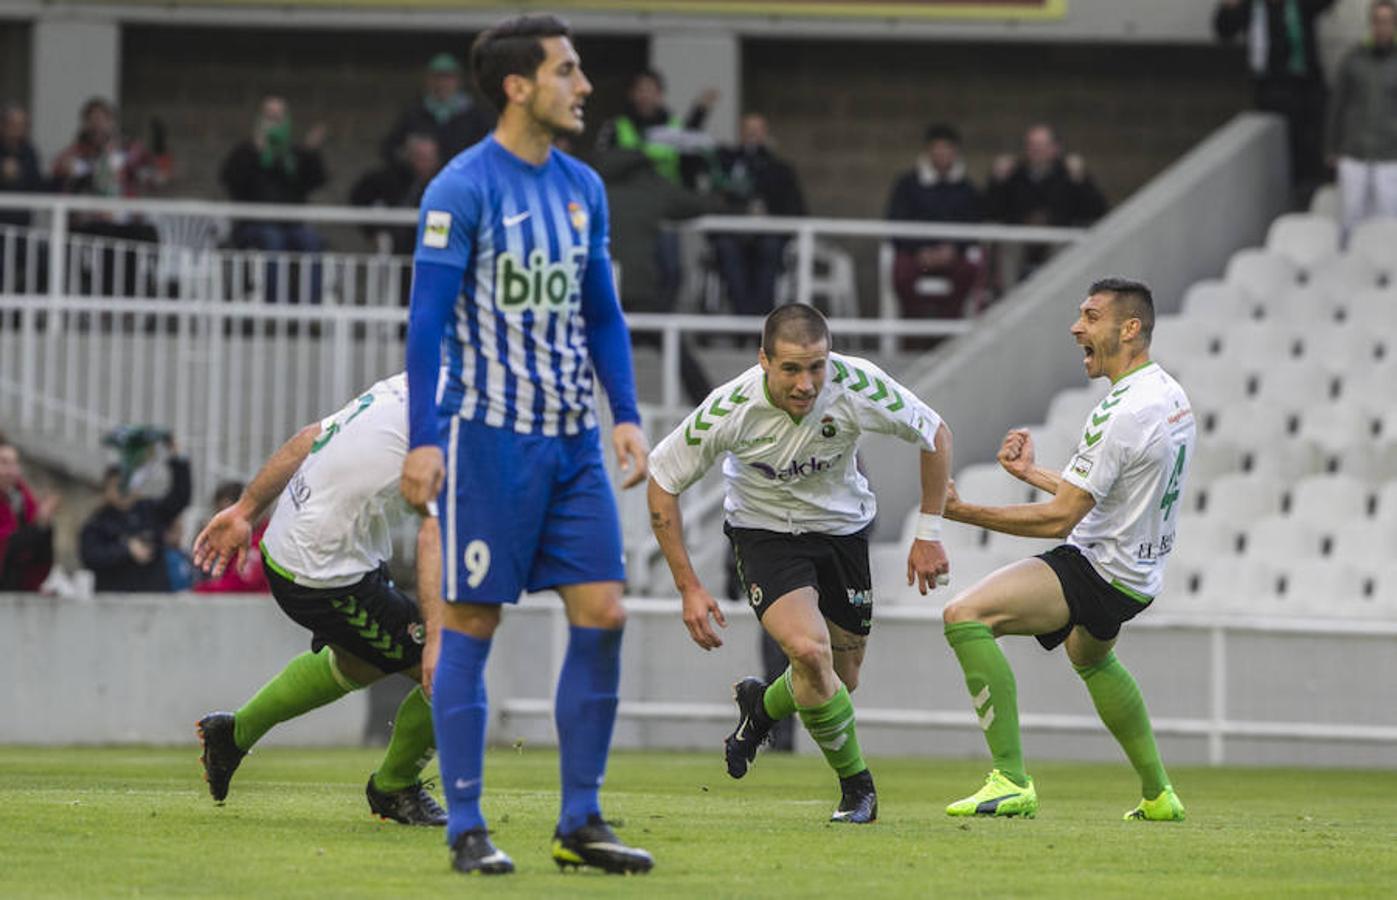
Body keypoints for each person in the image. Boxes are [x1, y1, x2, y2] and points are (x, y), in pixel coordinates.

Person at [399, 15, 654, 877]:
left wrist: (622, 413)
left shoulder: (583, 186)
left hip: (572, 443)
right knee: (473, 619)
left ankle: (578, 821)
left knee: (606, 614)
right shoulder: (460, 189)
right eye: (567, 71)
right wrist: (425, 439)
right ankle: (466, 825)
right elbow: (427, 324)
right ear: (518, 86)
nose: (583, 86)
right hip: (488, 441)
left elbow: (601, 314)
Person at [646, 304, 954, 825]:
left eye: (817, 366)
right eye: (791, 368)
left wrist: (928, 533)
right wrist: (688, 587)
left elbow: (935, 434)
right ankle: (858, 789)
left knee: (840, 679)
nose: (807, 383)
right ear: (763, 360)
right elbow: (662, 481)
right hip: (765, 534)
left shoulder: (857, 385)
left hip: (843, 532)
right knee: (811, 654)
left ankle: (762, 706)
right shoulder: (731, 408)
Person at [938, 277, 1193, 822]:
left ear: (1130, 329)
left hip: (1099, 566)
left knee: (965, 617)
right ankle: (1159, 795)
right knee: (1090, 656)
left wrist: (960, 510)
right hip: (1139, 576)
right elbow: (1109, 491)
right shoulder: (1168, 395)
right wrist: (1031, 473)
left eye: (1091, 316)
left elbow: (1061, 520)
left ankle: (1010, 780)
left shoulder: (1120, 412)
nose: (1077, 327)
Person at [192, 373, 447, 826]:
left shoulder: (406, 386)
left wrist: (246, 510)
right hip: (323, 572)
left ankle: (232, 734)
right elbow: (434, 535)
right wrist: (437, 641)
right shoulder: (453, 420)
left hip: (310, 549)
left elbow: (310, 437)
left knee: (359, 663)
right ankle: (393, 788)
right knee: (450, 674)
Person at [592, 145, 720, 406]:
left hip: (600, 294)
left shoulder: (592, 189)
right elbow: (697, 204)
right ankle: (713, 411)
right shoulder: (651, 190)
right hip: (640, 295)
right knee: (680, 356)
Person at [1215, 0, 1338, 194]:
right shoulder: (1252, 8)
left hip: (1305, 87)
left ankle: (1311, 186)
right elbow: (1225, 31)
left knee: (1311, 147)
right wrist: (1229, 8)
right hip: (1271, 89)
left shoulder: (1299, 6)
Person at [219, 94, 329, 294]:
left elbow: (316, 181)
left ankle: (312, 308)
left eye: (279, 116)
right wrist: (256, 153)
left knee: (311, 241)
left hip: (291, 225)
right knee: (273, 239)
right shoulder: (245, 151)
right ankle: (273, 304)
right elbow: (232, 181)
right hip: (253, 226)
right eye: (269, 116)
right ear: (260, 119)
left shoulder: (294, 155)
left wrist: (312, 152)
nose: (274, 121)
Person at [885, 123, 985, 320]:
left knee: (970, 272)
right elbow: (895, 222)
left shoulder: (966, 188)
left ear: (955, 152)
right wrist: (920, 250)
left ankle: (947, 331)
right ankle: (914, 331)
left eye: (947, 149)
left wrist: (953, 249)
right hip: (916, 255)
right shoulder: (907, 184)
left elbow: (973, 224)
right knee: (901, 274)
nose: (942, 154)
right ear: (929, 151)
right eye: (937, 149)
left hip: (953, 256)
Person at [710, 114, 807, 317]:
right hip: (734, 236)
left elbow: (797, 208)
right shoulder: (726, 164)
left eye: (757, 129)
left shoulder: (780, 169)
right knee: (726, 249)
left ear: (765, 133)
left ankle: (761, 319)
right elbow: (715, 197)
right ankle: (743, 318)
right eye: (748, 128)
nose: (752, 134)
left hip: (770, 236)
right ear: (740, 132)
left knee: (770, 249)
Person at [986, 124, 1106, 282]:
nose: (1036, 150)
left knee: (1064, 249)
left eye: (1042, 145)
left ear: (1055, 148)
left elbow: (1097, 210)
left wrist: (1080, 181)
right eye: (1032, 145)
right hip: (1020, 238)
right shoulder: (1015, 175)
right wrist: (998, 181)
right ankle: (1010, 302)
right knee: (1007, 247)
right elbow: (991, 210)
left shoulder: (1068, 175)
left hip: (1057, 238)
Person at [79, 438, 191, 593]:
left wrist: (178, 458)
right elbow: (90, 557)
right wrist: (126, 549)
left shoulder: (151, 510)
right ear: (106, 490)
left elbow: (180, 497)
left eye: (127, 485)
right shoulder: (97, 522)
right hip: (114, 603)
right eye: (117, 486)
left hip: (154, 598)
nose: (123, 491)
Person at [1327, 0, 1397, 234]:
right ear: (1371, 24)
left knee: (1387, 217)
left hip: (1390, 153)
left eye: (1387, 22)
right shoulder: (1353, 59)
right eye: (1378, 21)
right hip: (1354, 151)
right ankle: (1349, 266)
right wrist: (1331, 146)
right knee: (1351, 216)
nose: (1382, 27)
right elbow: (1337, 105)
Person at [381, 53, 494, 165]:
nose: (442, 84)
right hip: (421, 179)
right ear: (428, 80)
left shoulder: (474, 114)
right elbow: (389, 149)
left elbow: (486, 150)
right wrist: (408, 153)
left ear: (458, 81)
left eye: (448, 78)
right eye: (437, 78)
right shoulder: (414, 112)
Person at [0, 432, 58, 591]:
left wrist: (43, 523)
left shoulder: (20, 495)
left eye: (14, 464)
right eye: (4, 463)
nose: (10, 471)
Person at [192, 480, 270, 594]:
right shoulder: (235, 542)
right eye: (218, 513)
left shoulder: (260, 544)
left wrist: (197, 591)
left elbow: (237, 586)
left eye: (226, 514)